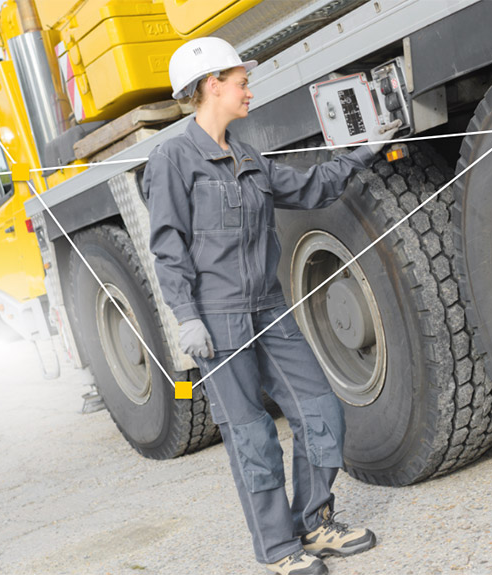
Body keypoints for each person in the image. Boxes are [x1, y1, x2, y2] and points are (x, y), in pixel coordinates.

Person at [144, 37, 399, 575]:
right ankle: (279, 548)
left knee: (320, 409)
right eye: (241, 83)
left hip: (269, 308)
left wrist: (364, 151)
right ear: (212, 85)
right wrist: (186, 315)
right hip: (218, 318)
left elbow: (311, 188)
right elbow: (168, 245)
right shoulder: (173, 158)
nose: (248, 91)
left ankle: (314, 522)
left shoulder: (247, 157)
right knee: (252, 435)